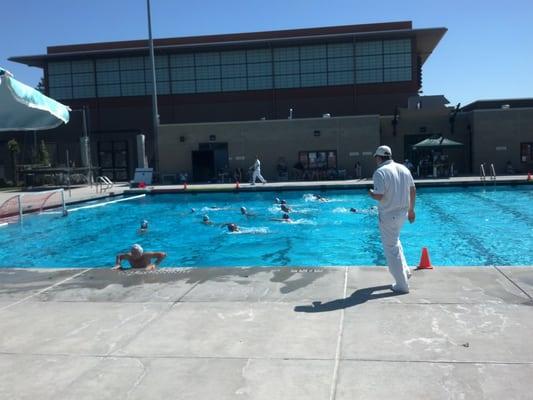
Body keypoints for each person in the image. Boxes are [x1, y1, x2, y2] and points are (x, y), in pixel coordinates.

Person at [368, 145, 416, 294]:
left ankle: (402, 285)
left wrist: (369, 193)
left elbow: (379, 195)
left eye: (376, 157)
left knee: (391, 250)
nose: (376, 160)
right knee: (396, 242)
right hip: (402, 214)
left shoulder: (380, 172)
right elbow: (413, 189)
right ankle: (405, 271)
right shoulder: (403, 168)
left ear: (380, 157)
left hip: (389, 215)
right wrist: (411, 210)